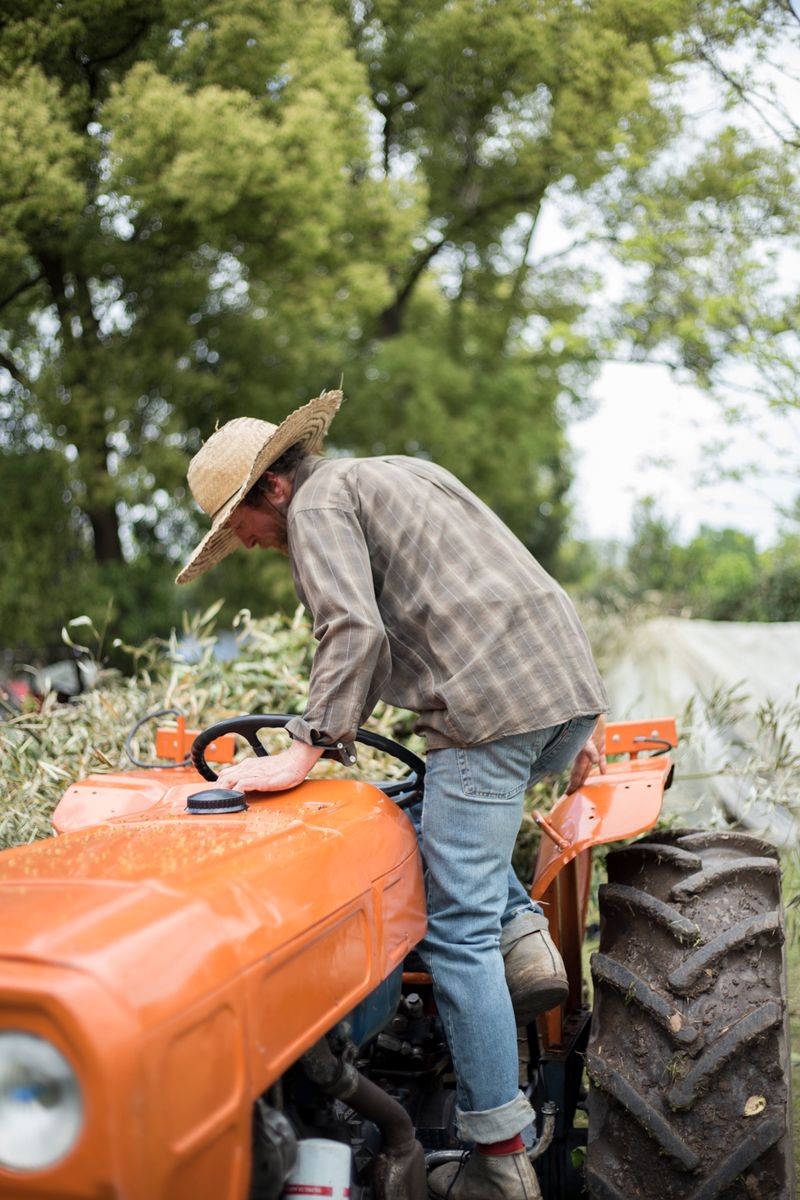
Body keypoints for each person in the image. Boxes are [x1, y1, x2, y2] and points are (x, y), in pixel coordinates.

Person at [177, 389, 608, 1200]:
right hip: (555, 693)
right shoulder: (401, 473)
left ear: (273, 488)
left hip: (488, 711)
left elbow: (353, 629)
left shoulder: (317, 506)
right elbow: (502, 581)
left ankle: (499, 1160)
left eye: (242, 524)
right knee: (406, 802)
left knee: (454, 937)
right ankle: (522, 937)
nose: (249, 541)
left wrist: (303, 749)